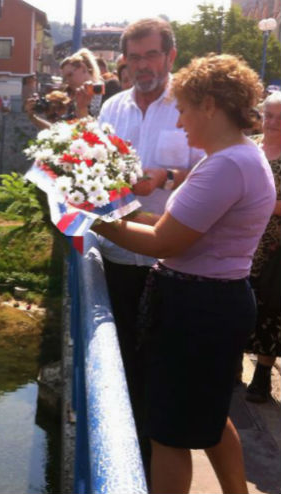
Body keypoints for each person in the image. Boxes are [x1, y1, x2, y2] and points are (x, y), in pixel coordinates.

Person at [92, 53, 276, 494]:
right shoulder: (240, 157)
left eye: (183, 108)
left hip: (197, 308)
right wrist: (115, 213)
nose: (179, 123)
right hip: (215, 302)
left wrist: (92, 220)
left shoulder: (227, 166)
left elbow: (163, 243)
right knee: (210, 416)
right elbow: (167, 229)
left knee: (168, 431)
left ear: (209, 104)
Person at [87, 17, 204, 480]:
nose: (142, 66)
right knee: (125, 363)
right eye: (134, 58)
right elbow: (94, 166)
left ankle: (151, 468)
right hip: (117, 254)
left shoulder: (192, 105)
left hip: (171, 261)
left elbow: (218, 167)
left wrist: (165, 176)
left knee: (164, 370)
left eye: (151, 55)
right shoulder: (112, 108)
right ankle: (127, 460)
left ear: (171, 57)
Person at [245, 90, 281, 403]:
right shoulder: (251, 147)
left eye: (280, 118)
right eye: (269, 115)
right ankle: (231, 364)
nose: (272, 123)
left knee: (270, 309)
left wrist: (263, 202)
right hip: (243, 241)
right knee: (241, 302)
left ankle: (262, 375)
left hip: (275, 248)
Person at [59, 48, 103, 118]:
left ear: (83, 68)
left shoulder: (108, 88)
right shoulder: (72, 102)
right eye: (65, 79)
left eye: (70, 75)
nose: (68, 81)